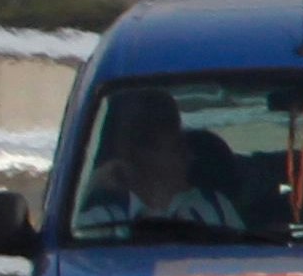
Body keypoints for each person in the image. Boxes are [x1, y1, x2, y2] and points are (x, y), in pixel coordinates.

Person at [77, 89, 244, 233]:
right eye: (176, 149)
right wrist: (92, 185)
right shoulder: (103, 221)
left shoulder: (214, 207)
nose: (190, 157)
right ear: (143, 155)